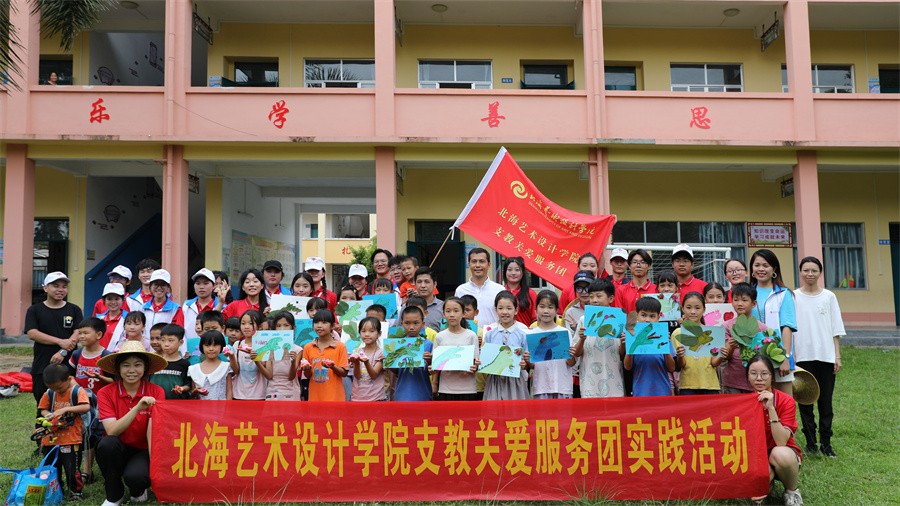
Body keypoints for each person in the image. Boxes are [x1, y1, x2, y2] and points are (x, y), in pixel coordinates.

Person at [94, 341, 166, 506]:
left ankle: (138, 489)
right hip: (117, 447)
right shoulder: (105, 393)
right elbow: (112, 431)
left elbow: (154, 430)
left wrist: (154, 464)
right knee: (107, 444)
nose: (132, 370)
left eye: (137, 365)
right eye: (126, 365)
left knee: (136, 477)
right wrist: (137, 408)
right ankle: (114, 494)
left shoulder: (156, 391)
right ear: (118, 369)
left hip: (142, 449)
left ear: (145, 368)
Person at [794, 256, 846, 457]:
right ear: (800, 272)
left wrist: (837, 356)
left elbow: (836, 328)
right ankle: (810, 442)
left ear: (820, 273)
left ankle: (826, 443)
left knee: (826, 402)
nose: (810, 274)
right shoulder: (793, 296)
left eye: (814, 270)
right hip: (801, 357)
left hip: (825, 356)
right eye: (806, 270)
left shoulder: (829, 297)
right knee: (804, 402)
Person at [746, 355, 804, 506]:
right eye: (753, 373)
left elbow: (781, 442)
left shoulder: (786, 400)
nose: (759, 378)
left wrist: (771, 408)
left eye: (764, 374)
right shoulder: (743, 403)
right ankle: (767, 483)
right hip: (757, 456)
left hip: (782, 454)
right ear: (747, 377)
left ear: (772, 376)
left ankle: (792, 492)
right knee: (756, 493)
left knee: (780, 453)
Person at [25, 271, 82, 403]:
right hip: (43, 364)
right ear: (45, 288)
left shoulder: (74, 309)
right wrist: (60, 342)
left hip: (69, 364)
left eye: (64, 286)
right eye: (56, 286)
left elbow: (78, 332)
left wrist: (63, 351)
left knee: (70, 403)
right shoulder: (34, 310)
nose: (60, 289)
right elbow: (32, 333)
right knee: (43, 403)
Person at [37, 363, 90, 500]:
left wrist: (65, 409)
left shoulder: (77, 391)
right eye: (52, 388)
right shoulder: (49, 393)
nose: (57, 391)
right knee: (51, 467)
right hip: (50, 439)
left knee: (71, 467)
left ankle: (75, 492)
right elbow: (42, 409)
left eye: (59, 387)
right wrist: (49, 415)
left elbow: (85, 407)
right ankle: (56, 489)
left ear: (68, 379)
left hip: (71, 439)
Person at [750, 249, 797, 395]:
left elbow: (787, 327)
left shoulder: (784, 294)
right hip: (754, 355)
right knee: (758, 402)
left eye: (766, 265)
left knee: (784, 400)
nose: (761, 269)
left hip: (779, 355)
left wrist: (785, 357)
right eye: (757, 265)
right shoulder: (747, 292)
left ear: (774, 269)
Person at [574, 279, 625, 398]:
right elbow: (576, 353)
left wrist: (623, 343)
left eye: (599, 296)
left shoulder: (619, 319)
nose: (594, 300)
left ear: (611, 298)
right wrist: (582, 339)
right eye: (591, 296)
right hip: (589, 381)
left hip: (614, 380)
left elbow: (622, 355)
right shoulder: (583, 320)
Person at [623, 297, 676, 397]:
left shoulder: (663, 337)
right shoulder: (633, 337)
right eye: (643, 315)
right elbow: (627, 367)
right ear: (637, 315)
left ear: (658, 317)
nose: (647, 320)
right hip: (640, 391)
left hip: (663, 391)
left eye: (652, 316)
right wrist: (630, 346)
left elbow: (672, 368)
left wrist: (665, 346)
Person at [482, 291, 531, 400]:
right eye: (500, 308)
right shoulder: (490, 334)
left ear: (516, 310)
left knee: (515, 409)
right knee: (494, 409)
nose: (505, 312)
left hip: (516, 381)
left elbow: (528, 361)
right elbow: (486, 360)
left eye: (509, 308)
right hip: (495, 380)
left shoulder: (523, 334)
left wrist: (525, 364)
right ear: (495, 310)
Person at [721, 283, 767, 394]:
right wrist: (730, 346)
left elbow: (765, 356)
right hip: (732, 381)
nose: (739, 304)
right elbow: (724, 357)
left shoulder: (762, 328)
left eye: (744, 300)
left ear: (754, 303)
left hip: (756, 382)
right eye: (736, 300)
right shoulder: (726, 326)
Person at [673, 292, 723, 395]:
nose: (693, 312)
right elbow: (681, 365)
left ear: (704, 309)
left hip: (710, 384)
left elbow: (714, 363)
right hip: (687, 385)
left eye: (697, 308)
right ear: (683, 308)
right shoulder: (677, 333)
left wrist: (722, 354)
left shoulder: (712, 332)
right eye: (688, 307)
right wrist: (680, 356)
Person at [531, 290, 576, 399]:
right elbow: (531, 366)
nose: (546, 311)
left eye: (550, 307)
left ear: (556, 310)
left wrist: (571, 355)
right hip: (541, 387)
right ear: (536, 309)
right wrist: (528, 360)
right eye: (542, 306)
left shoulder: (565, 333)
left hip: (563, 387)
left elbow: (571, 363)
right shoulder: (531, 334)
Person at [434, 298, 479, 400]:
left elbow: (476, 362)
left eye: (456, 311)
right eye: (448, 311)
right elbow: (436, 365)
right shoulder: (439, 336)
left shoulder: (471, 335)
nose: (452, 314)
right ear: (443, 314)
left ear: (463, 313)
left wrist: (474, 367)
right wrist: (433, 369)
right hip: (445, 389)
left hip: (467, 389)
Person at [301, 310, 349, 401]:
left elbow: (344, 373)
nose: (319, 325)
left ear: (333, 326)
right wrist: (307, 369)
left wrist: (332, 366)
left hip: (335, 398)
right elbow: (307, 375)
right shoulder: (308, 347)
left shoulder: (340, 346)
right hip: (315, 398)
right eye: (316, 322)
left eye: (324, 322)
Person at [390, 306, 434, 401]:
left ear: (423, 324)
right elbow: (396, 371)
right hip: (402, 394)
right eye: (407, 323)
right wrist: (388, 362)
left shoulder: (429, 344)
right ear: (401, 324)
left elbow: (432, 371)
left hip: (423, 393)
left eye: (416, 323)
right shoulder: (396, 345)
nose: (411, 327)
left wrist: (430, 361)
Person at [455, 247, 505, 326]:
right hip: (468, 333)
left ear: (489, 265)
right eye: (474, 261)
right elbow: (456, 315)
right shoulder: (461, 290)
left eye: (482, 261)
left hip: (493, 333)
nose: (477, 265)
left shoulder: (499, 290)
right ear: (469, 264)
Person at [261, 311, 303, 401]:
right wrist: (256, 361)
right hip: (272, 393)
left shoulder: (297, 350)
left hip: (291, 394)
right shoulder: (270, 348)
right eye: (278, 326)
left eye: (286, 325)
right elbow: (269, 375)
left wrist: (293, 362)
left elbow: (291, 377)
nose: (282, 329)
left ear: (293, 328)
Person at [228, 310, 267, 400]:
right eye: (243, 323)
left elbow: (265, 367)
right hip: (238, 394)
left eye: (251, 323)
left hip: (258, 395)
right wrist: (231, 356)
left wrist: (255, 357)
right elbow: (236, 371)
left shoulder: (263, 345)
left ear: (259, 326)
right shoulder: (237, 344)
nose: (246, 327)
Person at [349, 317, 386, 402]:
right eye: (363, 331)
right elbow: (357, 376)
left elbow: (374, 375)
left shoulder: (381, 353)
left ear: (379, 333)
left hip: (376, 398)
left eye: (371, 331)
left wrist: (366, 362)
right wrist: (356, 362)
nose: (367, 334)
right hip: (357, 398)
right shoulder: (356, 351)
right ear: (359, 333)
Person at [150, 324, 191, 400]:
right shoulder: (155, 362)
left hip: (176, 403)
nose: (166, 344)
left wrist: (181, 388)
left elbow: (189, 384)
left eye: (170, 340)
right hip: (155, 402)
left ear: (181, 342)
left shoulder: (185, 364)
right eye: (163, 340)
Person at [182, 268, 225, 341]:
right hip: (190, 347)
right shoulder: (186, 306)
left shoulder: (223, 307)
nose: (201, 287)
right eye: (198, 283)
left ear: (214, 286)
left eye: (206, 283)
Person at [188, 331, 231, 401]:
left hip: (221, 406)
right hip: (200, 407)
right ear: (202, 346)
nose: (211, 349)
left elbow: (229, 391)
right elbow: (193, 395)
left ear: (222, 346)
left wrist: (228, 406)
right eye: (207, 345)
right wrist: (195, 391)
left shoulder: (226, 366)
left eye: (215, 345)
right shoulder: (194, 369)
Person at [140, 269, 184, 339]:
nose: (159, 288)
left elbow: (179, 334)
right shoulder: (142, 308)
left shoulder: (176, 309)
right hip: (145, 345)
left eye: (163, 285)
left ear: (168, 287)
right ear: (150, 286)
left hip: (166, 345)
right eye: (156, 284)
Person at [614, 249, 657, 314]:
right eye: (634, 262)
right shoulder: (620, 290)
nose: (638, 265)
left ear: (649, 266)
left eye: (642, 262)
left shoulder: (656, 289)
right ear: (629, 266)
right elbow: (619, 316)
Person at [502, 256, 537, 327]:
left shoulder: (531, 294)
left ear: (523, 272)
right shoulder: (500, 290)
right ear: (505, 272)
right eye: (509, 270)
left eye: (517, 270)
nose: (513, 273)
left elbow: (536, 320)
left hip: (525, 332)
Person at [97, 283, 128, 350]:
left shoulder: (128, 319)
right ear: (104, 300)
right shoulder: (98, 319)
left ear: (123, 300)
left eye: (117, 299)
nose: (113, 302)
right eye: (109, 299)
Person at [414, 266, 444, 332]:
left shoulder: (444, 307)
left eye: (427, 282)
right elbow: (396, 332)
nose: (423, 286)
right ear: (415, 284)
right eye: (419, 282)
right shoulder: (407, 307)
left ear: (435, 284)